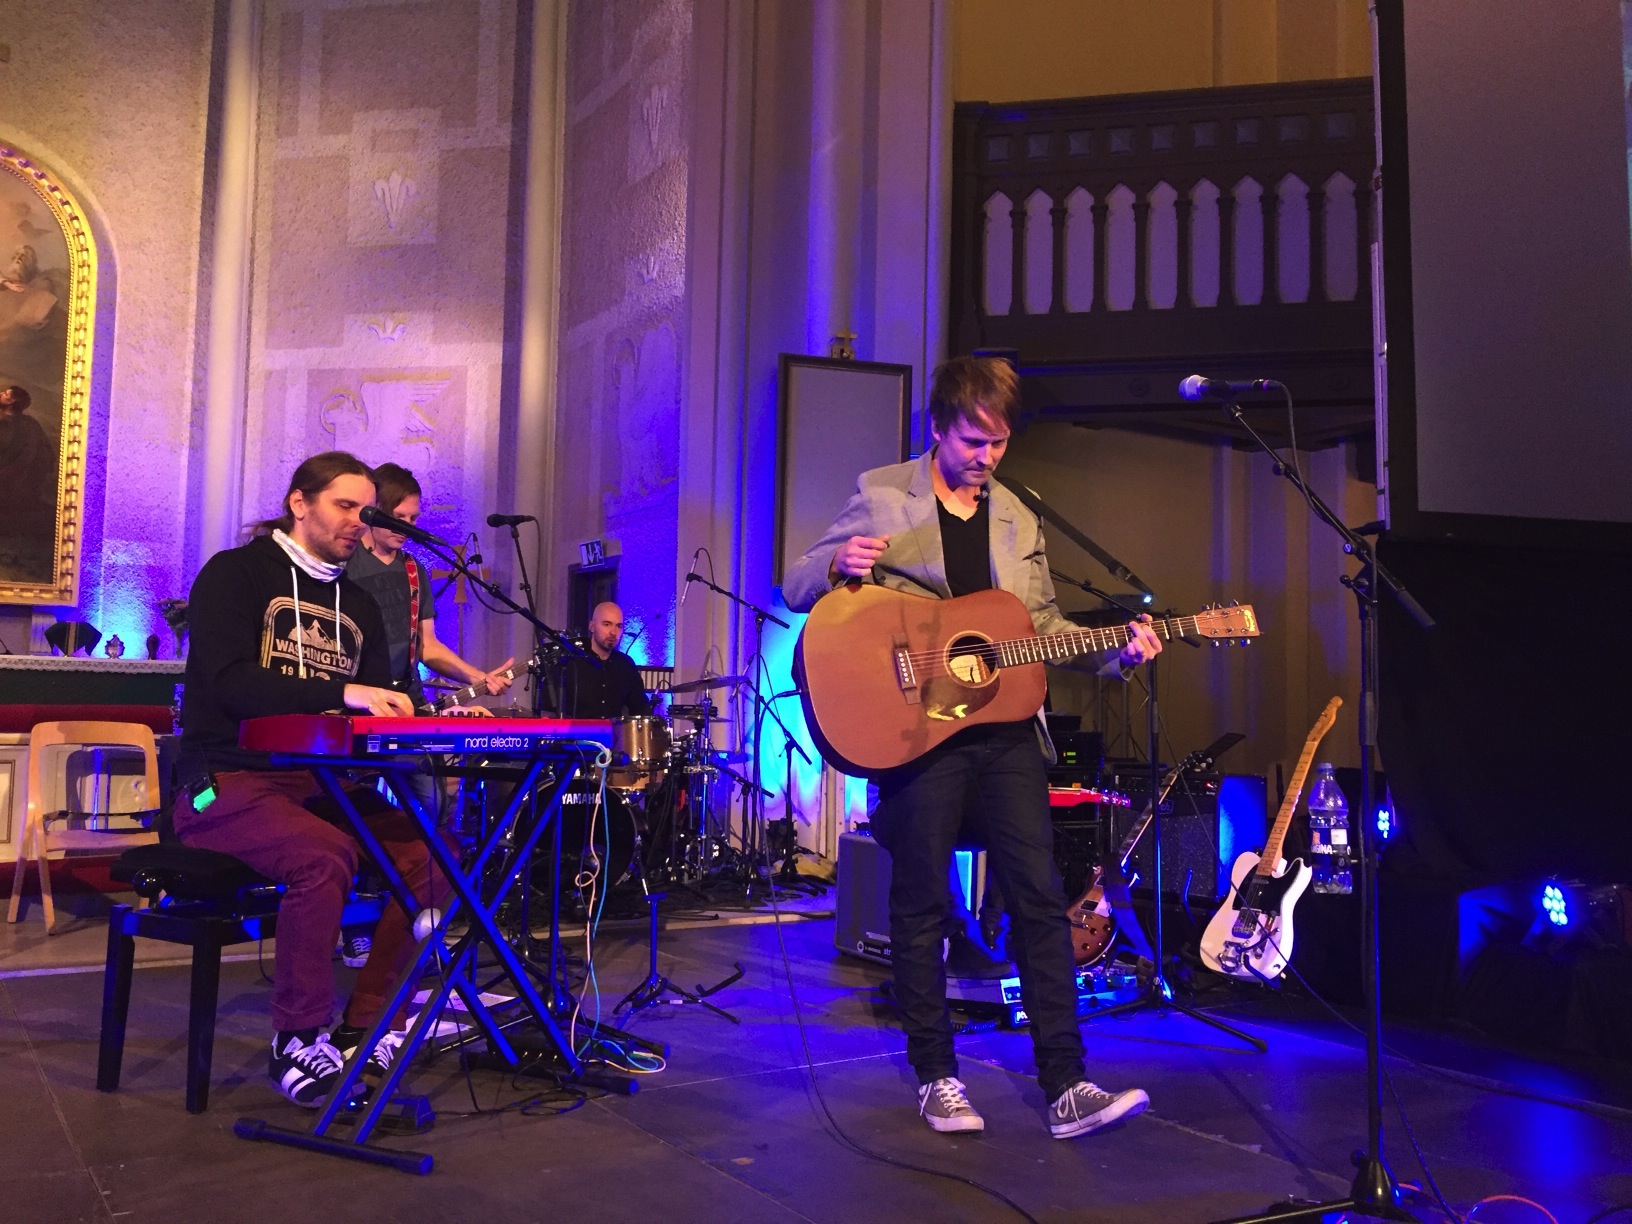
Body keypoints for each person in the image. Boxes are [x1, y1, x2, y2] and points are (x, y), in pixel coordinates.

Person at [783, 356, 1162, 1140]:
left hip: (1005, 728)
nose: (988, 456)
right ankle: (937, 1076)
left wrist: (1116, 652)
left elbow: (1041, 629)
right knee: (922, 900)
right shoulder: (883, 491)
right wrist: (834, 565)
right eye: (973, 441)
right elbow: (793, 583)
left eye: (1000, 443)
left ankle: (1067, 1084)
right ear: (938, 428)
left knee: (1038, 895)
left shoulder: (1018, 517)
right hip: (917, 730)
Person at [174, 451, 451, 1107]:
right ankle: (296, 1039)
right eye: (344, 505)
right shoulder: (235, 574)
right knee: (324, 855)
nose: (359, 520)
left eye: (366, 510)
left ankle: (369, 1025)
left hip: (317, 783)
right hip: (224, 779)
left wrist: (433, 717)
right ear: (299, 503)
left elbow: (376, 703)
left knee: (435, 860)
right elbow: (230, 682)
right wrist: (344, 691)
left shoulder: (359, 603)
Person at [345, 462, 514, 715]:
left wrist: (478, 677)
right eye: (398, 517)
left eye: (412, 518)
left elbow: (427, 645)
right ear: (374, 512)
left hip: (406, 701)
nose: (407, 526)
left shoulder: (413, 570)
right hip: (356, 700)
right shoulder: (345, 561)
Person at [556, 601, 652, 718]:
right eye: (607, 624)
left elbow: (641, 710)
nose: (613, 632)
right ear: (592, 626)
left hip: (613, 730)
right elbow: (550, 711)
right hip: (576, 729)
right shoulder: (571, 662)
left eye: (619, 626)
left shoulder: (625, 665)